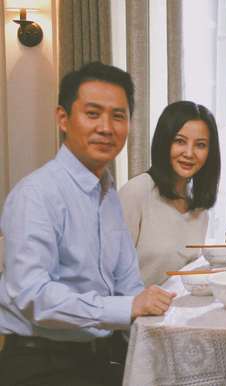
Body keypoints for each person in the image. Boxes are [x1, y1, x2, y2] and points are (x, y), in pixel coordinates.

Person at [0, 62, 176, 386]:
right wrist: (127, 307)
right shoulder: (36, 194)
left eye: (118, 116)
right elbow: (33, 295)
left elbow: (127, 282)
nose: (106, 128)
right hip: (41, 364)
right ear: (63, 119)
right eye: (93, 114)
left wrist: (163, 306)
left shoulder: (107, 194)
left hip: (99, 357)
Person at [119, 101, 221, 286]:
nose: (189, 153)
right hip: (134, 312)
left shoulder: (199, 209)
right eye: (180, 141)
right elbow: (105, 276)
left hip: (173, 311)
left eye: (200, 145)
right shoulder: (136, 192)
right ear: (164, 142)